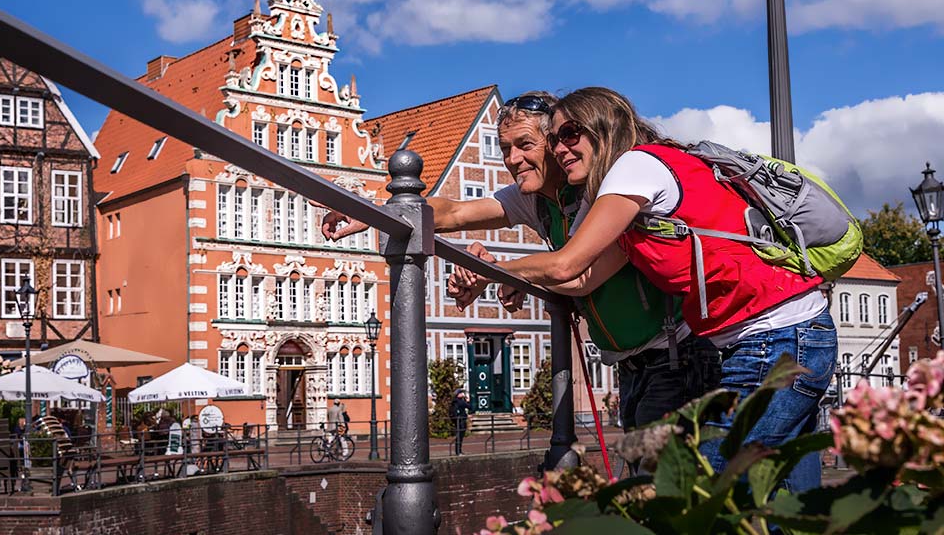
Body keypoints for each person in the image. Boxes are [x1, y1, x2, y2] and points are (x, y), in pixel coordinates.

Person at [469, 86, 834, 493]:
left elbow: (567, 262)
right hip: (773, 336)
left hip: (775, 336)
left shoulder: (634, 169)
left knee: (699, 490)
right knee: (786, 496)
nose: (559, 149)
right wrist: (522, 276)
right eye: (553, 139)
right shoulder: (620, 194)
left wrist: (495, 271)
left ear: (603, 130)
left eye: (569, 134)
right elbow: (580, 278)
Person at [324, 91, 720, 444]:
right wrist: (376, 209)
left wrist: (501, 272)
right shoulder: (535, 200)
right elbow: (456, 211)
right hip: (632, 367)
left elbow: (576, 273)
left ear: (553, 144)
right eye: (505, 148)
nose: (513, 159)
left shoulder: (604, 189)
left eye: (525, 145)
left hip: (676, 357)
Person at [449, 390, 472, 455]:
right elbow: (470, 407)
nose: (462, 393)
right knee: (460, 436)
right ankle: (459, 451)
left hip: (456, 420)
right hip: (461, 421)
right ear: (458, 395)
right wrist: (467, 400)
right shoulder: (461, 402)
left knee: (458, 436)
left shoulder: (454, 402)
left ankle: (458, 451)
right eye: (461, 393)